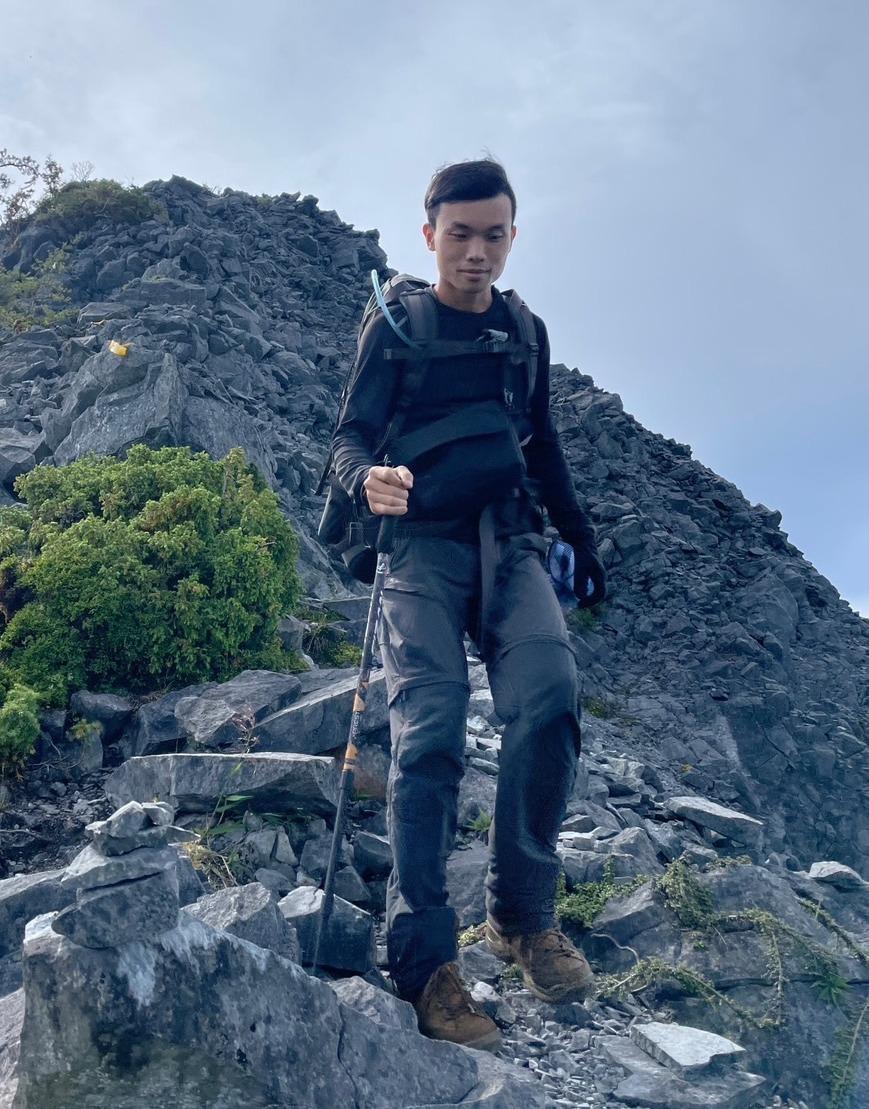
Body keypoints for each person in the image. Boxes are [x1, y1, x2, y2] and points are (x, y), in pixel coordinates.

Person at [330, 158, 606, 1048]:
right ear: (428, 236)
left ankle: (521, 917)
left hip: (510, 539)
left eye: (493, 234)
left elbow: (543, 443)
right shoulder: (394, 322)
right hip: (417, 547)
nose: (477, 251)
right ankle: (425, 963)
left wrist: (581, 535)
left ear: (512, 236)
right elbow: (348, 436)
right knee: (432, 730)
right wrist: (363, 478)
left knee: (549, 703)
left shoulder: (524, 330)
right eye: (460, 234)